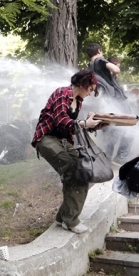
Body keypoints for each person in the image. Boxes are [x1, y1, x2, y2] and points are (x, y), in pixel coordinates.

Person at [32, 70, 105, 234]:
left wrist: (95, 124)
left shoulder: (78, 101)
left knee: (83, 172)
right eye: (90, 89)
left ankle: (62, 218)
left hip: (65, 141)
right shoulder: (62, 93)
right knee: (73, 171)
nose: (90, 93)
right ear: (83, 84)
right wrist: (85, 123)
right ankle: (71, 221)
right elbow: (61, 121)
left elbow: (74, 126)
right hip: (46, 138)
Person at [87, 43, 134, 163]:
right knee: (130, 125)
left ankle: (107, 160)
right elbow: (116, 69)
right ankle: (121, 157)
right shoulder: (99, 60)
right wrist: (115, 71)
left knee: (111, 131)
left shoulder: (90, 67)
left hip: (108, 102)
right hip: (118, 99)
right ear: (99, 51)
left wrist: (111, 77)